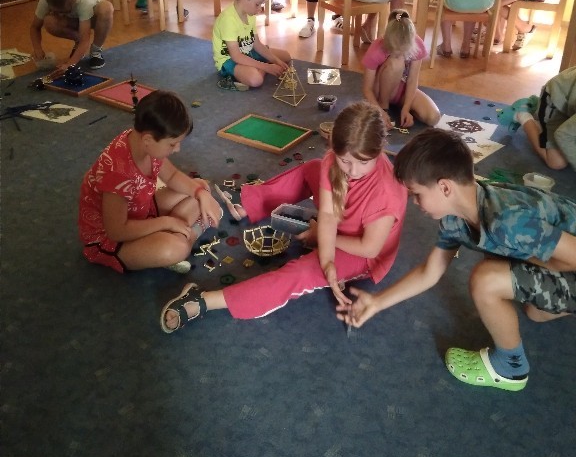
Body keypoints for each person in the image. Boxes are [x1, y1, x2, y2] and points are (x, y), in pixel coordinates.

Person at [336, 128, 576, 392]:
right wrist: (377, 302)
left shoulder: (508, 221)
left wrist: (523, 264)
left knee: (487, 279)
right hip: (557, 255)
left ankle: (511, 368)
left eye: (417, 194)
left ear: (445, 187)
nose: (414, 202)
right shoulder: (456, 217)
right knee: (534, 311)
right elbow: (431, 271)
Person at [160, 101, 408, 333]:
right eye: (345, 161)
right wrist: (327, 258)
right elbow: (328, 215)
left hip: (364, 253)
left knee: (300, 273)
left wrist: (323, 241)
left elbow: (369, 248)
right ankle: (251, 204)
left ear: (379, 151)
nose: (353, 171)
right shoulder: (333, 160)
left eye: (363, 163)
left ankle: (202, 300)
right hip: (341, 223)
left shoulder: (386, 192)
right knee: (312, 168)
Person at [78, 90, 223, 274]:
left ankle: (175, 235)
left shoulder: (141, 142)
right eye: (172, 144)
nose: (177, 149)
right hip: (112, 240)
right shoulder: (117, 174)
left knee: (200, 187)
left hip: (141, 211)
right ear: (148, 139)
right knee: (177, 248)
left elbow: (172, 176)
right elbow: (117, 231)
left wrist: (200, 193)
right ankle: (187, 235)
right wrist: (166, 223)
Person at [361, 9, 440, 130]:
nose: (399, 54)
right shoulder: (376, 48)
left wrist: (406, 108)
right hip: (380, 90)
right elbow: (367, 89)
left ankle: (400, 109)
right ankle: (384, 106)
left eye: (403, 52)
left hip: (401, 91)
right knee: (396, 62)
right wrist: (380, 111)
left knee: (433, 117)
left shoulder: (418, 45)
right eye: (394, 51)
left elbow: (412, 80)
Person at [212, 0, 291, 90]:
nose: (260, 9)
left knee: (285, 56)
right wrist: (266, 67)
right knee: (256, 79)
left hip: (248, 52)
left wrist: (276, 60)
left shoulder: (250, 14)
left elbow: (257, 44)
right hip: (229, 60)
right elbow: (236, 56)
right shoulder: (228, 20)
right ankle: (258, 69)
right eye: (257, 4)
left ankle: (258, 67)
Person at [30, 0, 114, 76]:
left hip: (93, 18)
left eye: (65, 11)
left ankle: (96, 52)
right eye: (58, 12)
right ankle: (77, 44)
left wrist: (69, 65)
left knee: (106, 8)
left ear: (73, 0)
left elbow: (85, 39)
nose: (61, 15)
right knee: (49, 21)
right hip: (74, 20)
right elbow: (34, 27)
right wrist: (37, 49)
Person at [515, 66, 576, 171]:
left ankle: (542, 120)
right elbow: (563, 134)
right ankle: (524, 116)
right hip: (555, 100)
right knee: (556, 162)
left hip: (569, 101)